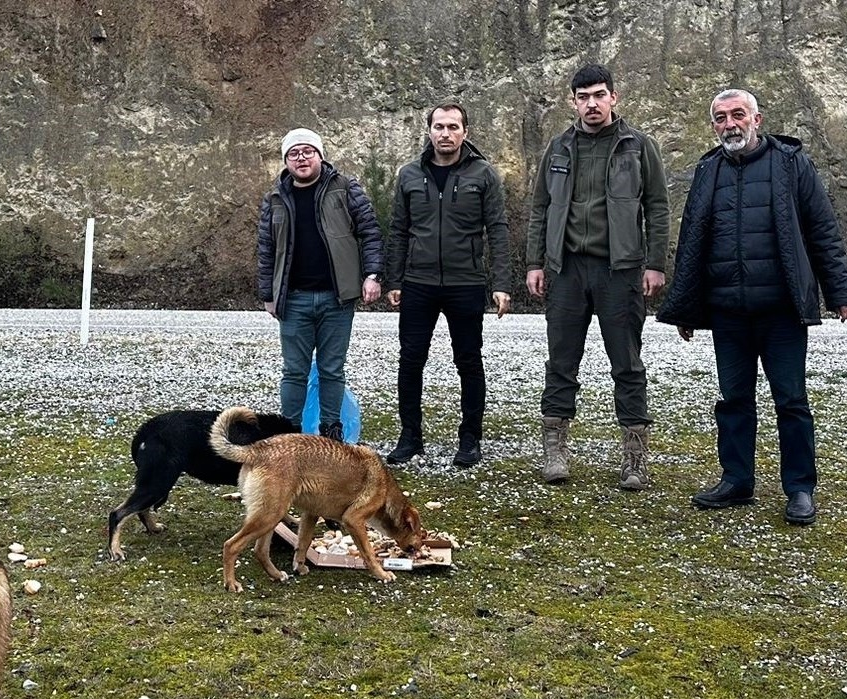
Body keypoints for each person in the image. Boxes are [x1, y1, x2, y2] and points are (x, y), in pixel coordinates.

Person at [658, 88, 847, 525]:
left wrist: (840, 291)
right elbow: (691, 241)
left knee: (791, 401)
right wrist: (685, 308)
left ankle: (800, 488)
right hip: (727, 310)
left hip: (780, 310)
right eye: (721, 118)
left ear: (757, 119)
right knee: (733, 400)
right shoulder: (707, 169)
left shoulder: (792, 164)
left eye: (738, 115)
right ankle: (737, 480)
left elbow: (822, 229)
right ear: (714, 125)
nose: (730, 124)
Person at [524, 63, 670, 490]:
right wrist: (535, 262)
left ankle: (635, 458)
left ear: (613, 97)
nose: (592, 104)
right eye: (583, 97)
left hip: (619, 271)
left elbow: (657, 207)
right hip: (566, 270)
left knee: (627, 363)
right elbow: (540, 208)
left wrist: (655, 263)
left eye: (599, 95)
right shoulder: (558, 148)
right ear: (573, 102)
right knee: (561, 361)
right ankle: (555, 451)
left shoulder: (638, 146)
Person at [384, 103, 511, 468]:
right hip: (418, 283)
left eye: (453, 127)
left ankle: (470, 439)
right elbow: (399, 230)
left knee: (468, 361)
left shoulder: (483, 174)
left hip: (465, 282)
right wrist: (395, 279)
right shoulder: (409, 174)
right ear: (429, 131)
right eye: (439, 126)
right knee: (410, 361)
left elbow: (497, 230)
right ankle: (410, 437)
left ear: (465, 132)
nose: (445, 133)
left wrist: (501, 283)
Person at [257, 128, 384, 441]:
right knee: (294, 372)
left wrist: (372, 274)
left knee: (332, 369)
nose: (301, 158)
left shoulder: (345, 188)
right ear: (286, 161)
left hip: (337, 298)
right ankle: (288, 434)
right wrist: (268, 294)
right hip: (293, 300)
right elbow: (266, 249)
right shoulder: (274, 198)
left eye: (307, 151)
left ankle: (331, 431)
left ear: (320, 156)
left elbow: (370, 232)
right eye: (293, 154)